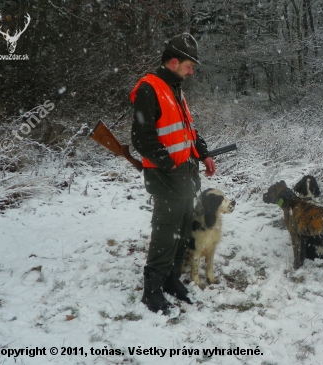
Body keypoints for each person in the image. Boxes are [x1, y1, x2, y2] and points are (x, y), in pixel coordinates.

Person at [130, 33, 216, 315]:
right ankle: (152, 291)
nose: (192, 72)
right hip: (167, 177)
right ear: (175, 61)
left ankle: (170, 279)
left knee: (181, 229)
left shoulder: (175, 88)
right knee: (166, 233)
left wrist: (204, 153)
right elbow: (141, 138)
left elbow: (188, 130)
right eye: (190, 66)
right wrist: (171, 166)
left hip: (185, 176)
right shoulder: (149, 88)